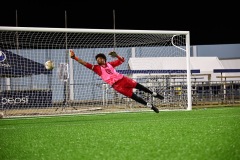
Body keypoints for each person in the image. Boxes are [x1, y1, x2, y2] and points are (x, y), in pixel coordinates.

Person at [69, 49, 164, 113]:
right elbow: (85, 63)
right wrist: (75, 57)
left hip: (123, 79)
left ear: (104, 59)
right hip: (117, 86)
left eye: (100, 58)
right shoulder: (97, 68)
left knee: (140, 86)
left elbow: (122, 60)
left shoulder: (110, 64)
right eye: (97, 59)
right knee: (134, 97)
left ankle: (154, 94)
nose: (98, 60)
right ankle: (150, 106)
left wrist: (117, 55)